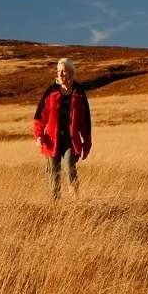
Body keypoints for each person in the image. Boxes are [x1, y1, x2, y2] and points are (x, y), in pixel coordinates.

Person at [32, 57, 92, 199]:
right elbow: (40, 116)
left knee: (69, 168)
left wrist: (86, 143)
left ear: (71, 73)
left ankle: (76, 201)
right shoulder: (51, 91)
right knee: (53, 173)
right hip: (52, 139)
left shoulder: (79, 93)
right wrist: (39, 135)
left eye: (64, 71)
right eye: (59, 71)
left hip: (71, 140)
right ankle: (54, 205)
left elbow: (85, 121)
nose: (60, 74)